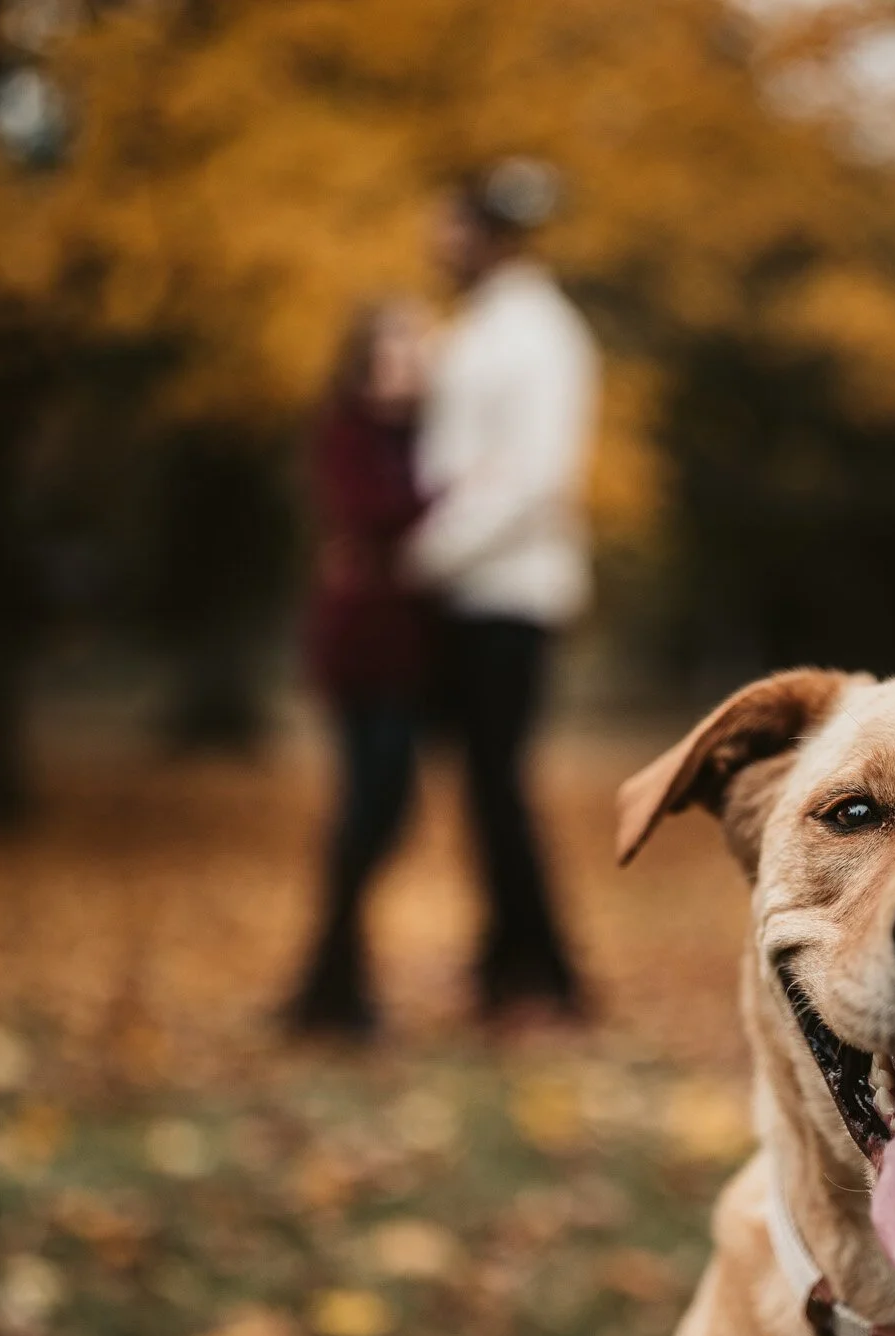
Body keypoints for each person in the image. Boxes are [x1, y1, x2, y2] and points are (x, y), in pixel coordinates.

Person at [407, 158, 598, 1020]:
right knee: (482, 786)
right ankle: (506, 961)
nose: (437, 240)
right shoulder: (478, 327)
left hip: (505, 593)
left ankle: (549, 972)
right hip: (464, 592)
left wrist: (425, 554)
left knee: (498, 784)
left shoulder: (541, 335)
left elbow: (535, 477)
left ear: (490, 234)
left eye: (451, 224)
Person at [288, 300, 434, 1036]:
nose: (411, 364)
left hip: (404, 654)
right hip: (358, 647)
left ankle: (327, 981)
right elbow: (371, 512)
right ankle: (333, 987)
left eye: (417, 350)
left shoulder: (419, 435)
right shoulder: (348, 433)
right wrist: (454, 495)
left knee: (387, 812)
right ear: (365, 360)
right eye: (396, 350)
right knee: (367, 812)